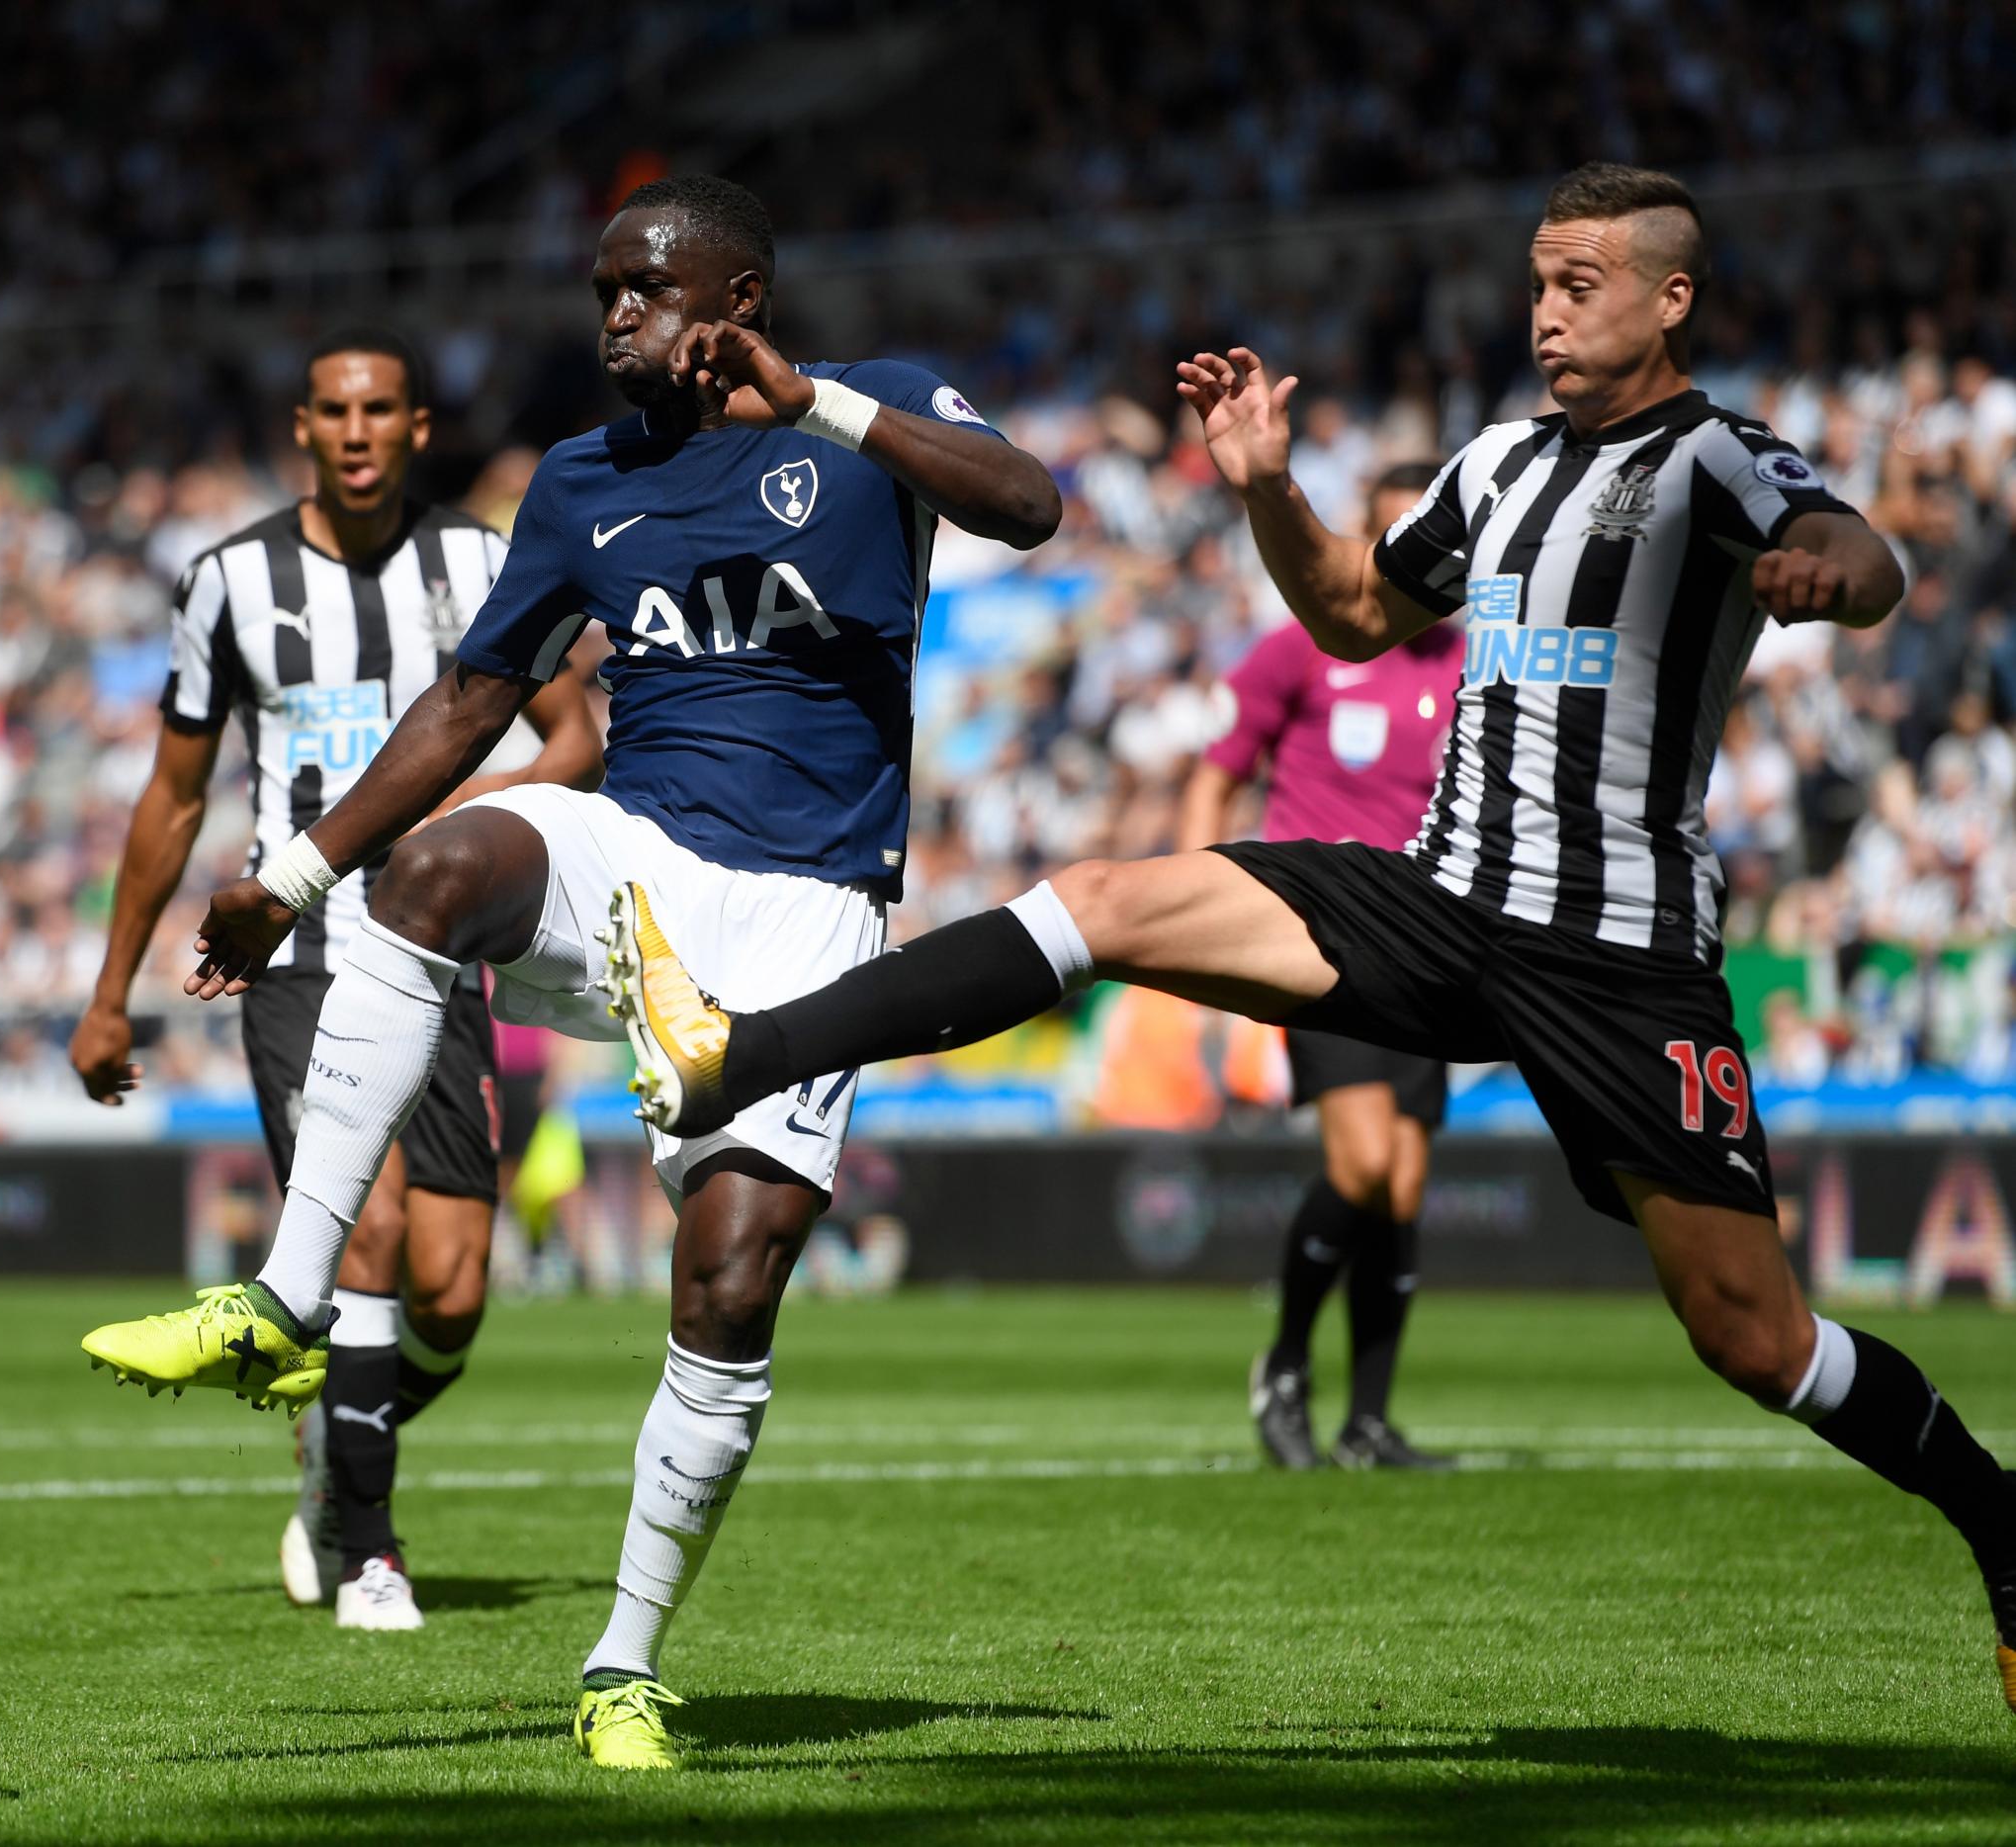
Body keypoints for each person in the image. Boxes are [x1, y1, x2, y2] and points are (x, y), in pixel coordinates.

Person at [609, 163, 2016, 1714]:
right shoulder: (1493, 466)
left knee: (1755, 1341)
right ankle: (740, 1053)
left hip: (1621, 960)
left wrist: (1840, 576)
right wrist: (1268, 488)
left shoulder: (1720, 462)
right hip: (1435, 896)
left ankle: (2002, 1525)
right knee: (1107, 898)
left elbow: (1858, 549)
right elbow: (1354, 611)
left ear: (1670, 297)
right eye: (1538, 284)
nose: (1547, 313)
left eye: (1583, 286)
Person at [80, 176, 1060, 1767]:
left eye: (642, 287)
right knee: (440, 868)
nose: (612, 314)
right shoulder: (580, 481)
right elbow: (473, 711)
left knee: (730, 1282)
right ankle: (283, 1296)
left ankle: (622, 1664)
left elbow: (1029, 506)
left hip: (812, 914)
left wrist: (815, 407)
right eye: (602, 288)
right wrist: (290, 873)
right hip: (646, 867)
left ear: (734, 302)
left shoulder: (872, 408)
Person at [69, 327, 601, 1633]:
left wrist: (463, 816)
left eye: (382, 410)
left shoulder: (482, 561)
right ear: (302, 428)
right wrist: (108, 991)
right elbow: (177, 794)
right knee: (361, 1232)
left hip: (440, 948)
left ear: (420, 429)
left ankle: (333, 1433)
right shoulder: (227, 582)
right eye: (333, 411)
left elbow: (578, 736)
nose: (357, 431)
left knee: (455, 1285)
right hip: (295, 956)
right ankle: (368, 1543)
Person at [1178, 460, 1464, 1471]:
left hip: (1434, 946)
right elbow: (1214, 780)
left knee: (1402, 1186)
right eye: (1392, 541)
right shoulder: (1300, 648)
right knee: (1362, 1164)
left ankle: (1368, 1420)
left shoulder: (1468, 666)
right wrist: (1200, 922)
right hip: (1319, 934)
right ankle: (1286, 1365)